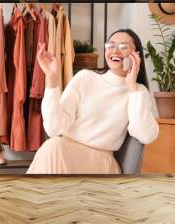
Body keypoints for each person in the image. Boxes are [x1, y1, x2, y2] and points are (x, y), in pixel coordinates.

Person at [26, 29, 159, 174]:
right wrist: (52, 80)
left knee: (54, 147)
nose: (115, 51)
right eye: (111, 45)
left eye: (123, 46)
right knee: (53, 145)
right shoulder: (85, 78)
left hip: (101, 163)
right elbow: (53, 128)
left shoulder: (138, 92)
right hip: (65, 153)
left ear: (136, 55)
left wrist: (132, 87)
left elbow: (146, 135)